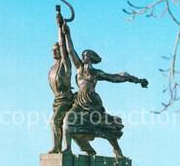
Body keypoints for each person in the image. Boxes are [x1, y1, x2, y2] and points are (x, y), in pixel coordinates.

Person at [61, 22, 148, 158]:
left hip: (92, 102)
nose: (84, 57)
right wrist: (67, 33)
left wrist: (137, 80)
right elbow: (70, 50)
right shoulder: (78, 68)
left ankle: (116, 149)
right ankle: (67, 148)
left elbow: (116, 78)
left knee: (103, 126)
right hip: (79, 101)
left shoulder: (96, 73)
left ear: (91, 59)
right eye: (83, 55)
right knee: (68, 119)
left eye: (87, 55)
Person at [48, 14, 73, 154]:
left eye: (56, 49)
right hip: (56, 100)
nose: (53, 51)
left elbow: (63, 45)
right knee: (56, 123)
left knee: (54, 121)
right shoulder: (52, 68)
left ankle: (59, 147)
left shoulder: (65, 64)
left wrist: (59, 27)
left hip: (66, 99)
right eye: (52, 49)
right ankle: (57, 146)